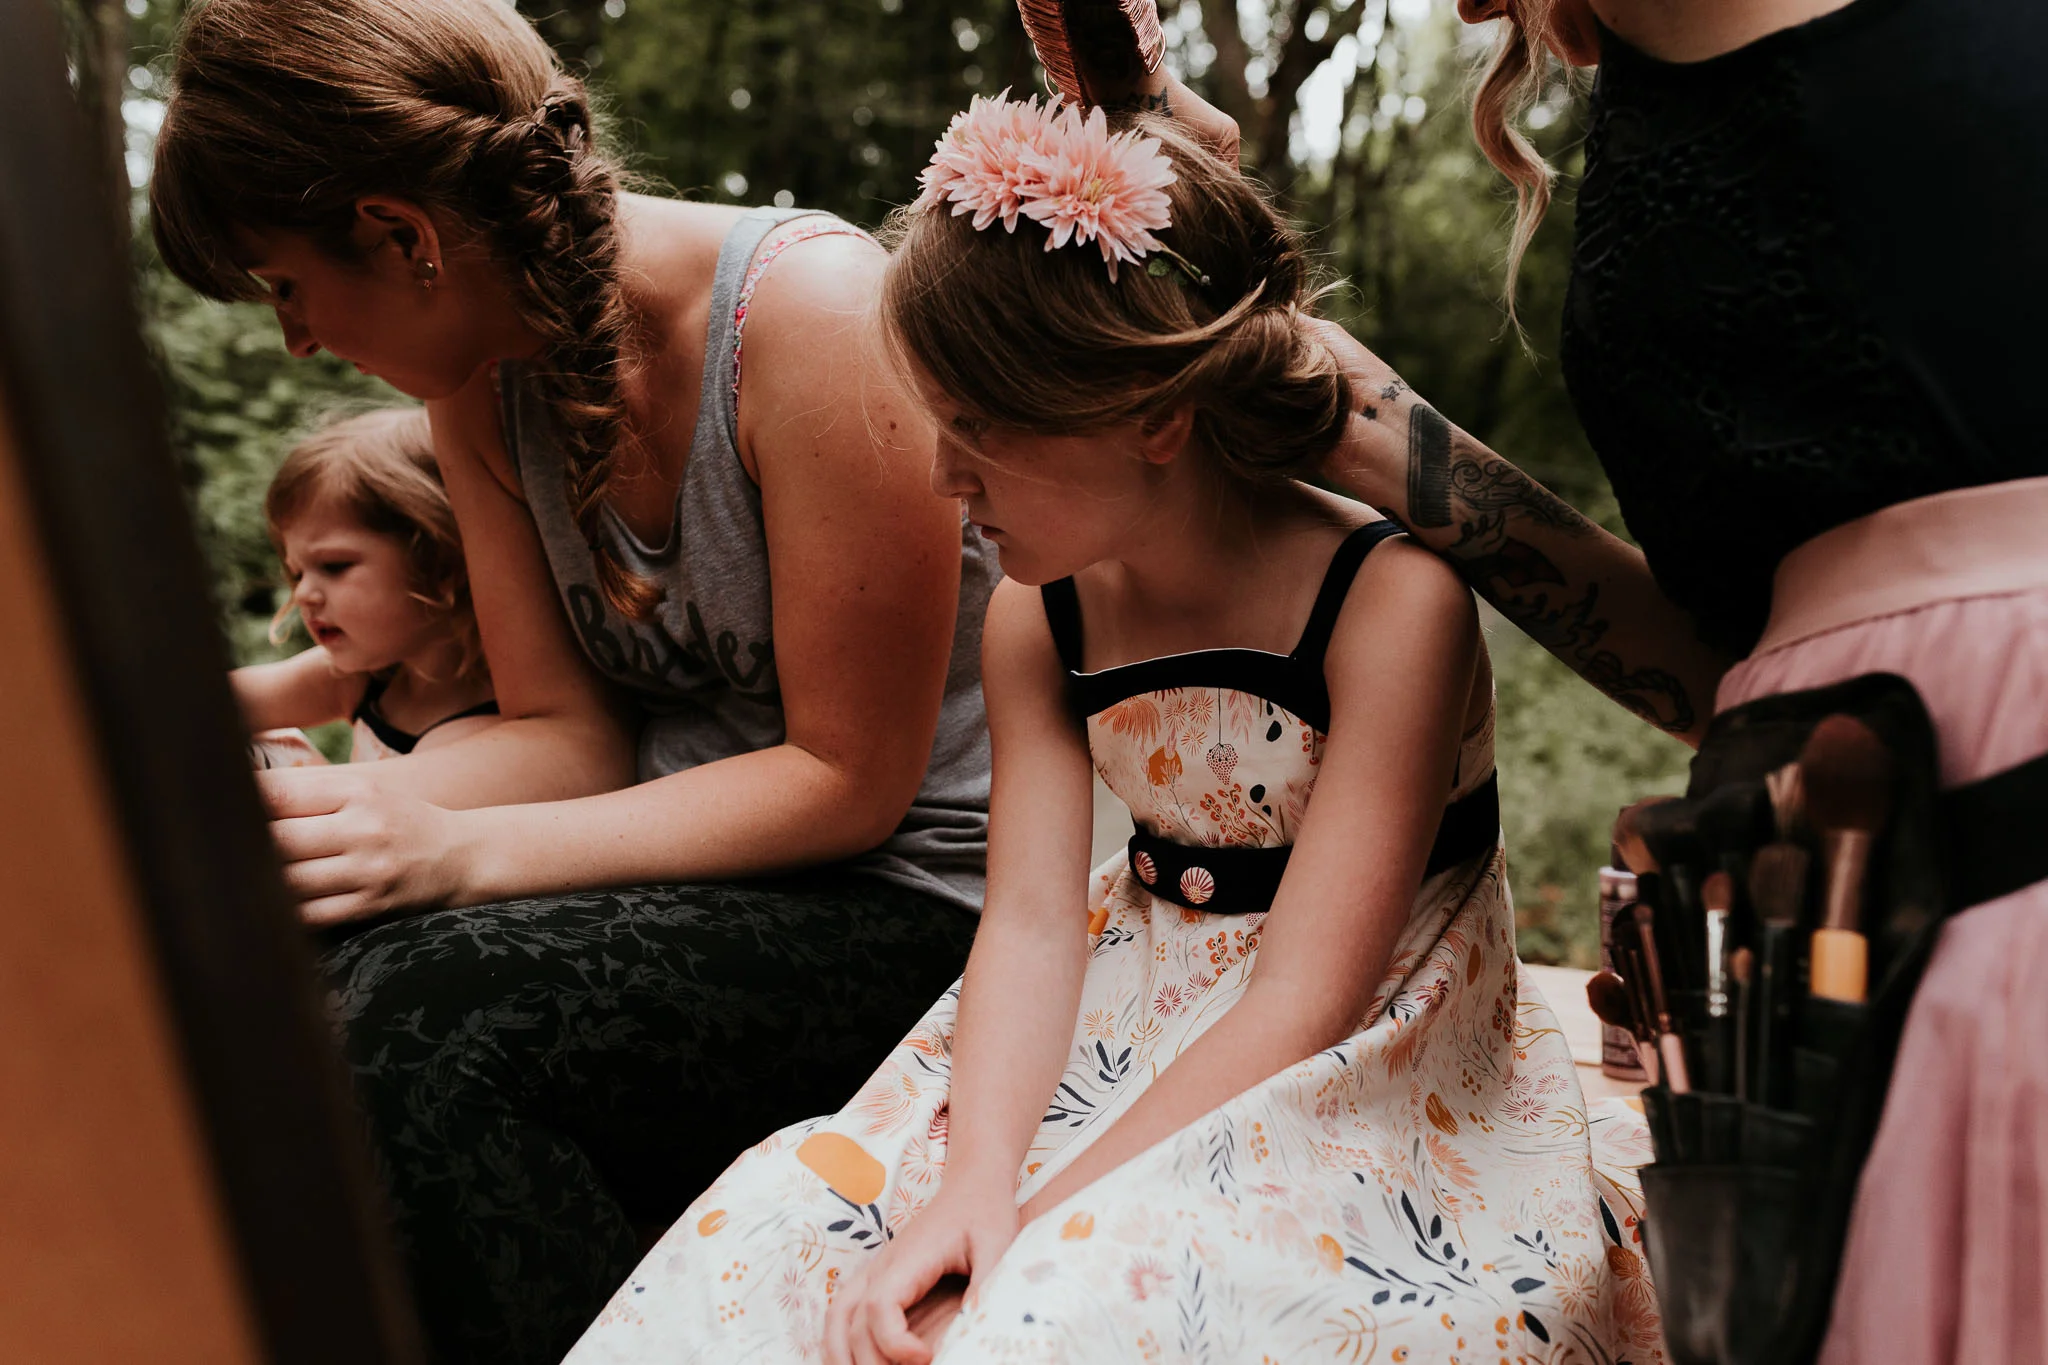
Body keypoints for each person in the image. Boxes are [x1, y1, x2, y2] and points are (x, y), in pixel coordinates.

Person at [565, 98, 1659, 1365]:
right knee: (778, 1237)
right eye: (938, 426)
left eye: (983, 431)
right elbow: (1028, 922)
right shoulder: (1039, 612)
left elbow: (1308, 998)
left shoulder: (1386, 602)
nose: (943, 480)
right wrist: (975, 1181)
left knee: (1067, 1305)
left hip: (1359, 1041)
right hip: (1114, 996)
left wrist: (1037, 1217)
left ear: (1153, 413)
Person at [149, 1, 999, 1359]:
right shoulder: (476, 385)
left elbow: (850, 781)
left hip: (911, 902)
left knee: (427, 1032)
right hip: (679, 872)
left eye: (283, 285)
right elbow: (564, 737)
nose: (295, 341)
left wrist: (444, 850)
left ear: (403, 236)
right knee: (269, 973)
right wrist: (346, 821)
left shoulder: (814, 322)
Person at [1306, 1, 2048, 1362]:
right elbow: (1723, 667)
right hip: (1806, 854)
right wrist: (1390, 447)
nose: (1471, 11)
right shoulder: (1654, 96)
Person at [232, 407, 501, 765]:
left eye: (334, 566)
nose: (302, 595)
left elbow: (374, 814)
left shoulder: (486, 727)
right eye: (298, 574)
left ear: (442, 563)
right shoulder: (368, 676)